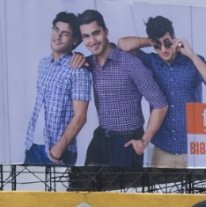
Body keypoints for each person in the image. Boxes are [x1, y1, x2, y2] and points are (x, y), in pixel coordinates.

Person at [115, 16, 206, 168]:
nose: (163, 50)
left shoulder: (194, 62)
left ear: (174, 38)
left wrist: (191, 54)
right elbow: (122, 44)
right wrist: (153, 40)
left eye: (167, 43)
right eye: (158, 46)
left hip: (192, 152)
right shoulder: (151, 61)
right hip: (161, 151)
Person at [74, 10, 168, 168]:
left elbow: (160, 103)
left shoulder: (130, 63)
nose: (92, 40)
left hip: (128, 142)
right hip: (101, 138)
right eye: (86, 36)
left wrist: (144, 141)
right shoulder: (88, 63)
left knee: (121, 191)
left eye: (96, 33)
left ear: (106, 31)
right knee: (82, 187)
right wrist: (76, 56)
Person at [23, 12, 91, 165]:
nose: (58, 36)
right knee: (27, 189)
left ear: (75, 40)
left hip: (58, 152)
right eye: (56, 29)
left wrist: (58, 149)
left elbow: (80, 117)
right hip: (33, 146)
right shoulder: (43, 64)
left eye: (65, 33)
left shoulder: (78, 69)